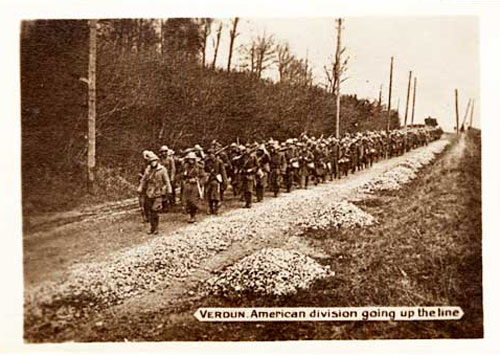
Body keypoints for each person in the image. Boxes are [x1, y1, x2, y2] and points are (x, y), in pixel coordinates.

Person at [137, 151, 172, 234]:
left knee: (154, 210)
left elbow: (167, 181)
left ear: (157, 161)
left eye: (154, 161)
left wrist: (169, 189)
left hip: (158, 192)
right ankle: (152, 228)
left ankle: (156, 228)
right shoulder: (148, 170)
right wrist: (140, 187)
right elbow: (144, 180)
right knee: (149, 210)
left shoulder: (162, 170)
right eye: (151, 161)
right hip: (149, 192)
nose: (153, 163)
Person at [182, 152, 205, 223]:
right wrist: (186, 180)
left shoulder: (199, 167)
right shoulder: (185, 167)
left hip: (196, 185)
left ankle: (193, 215)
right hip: (188, 184)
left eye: (192, 159)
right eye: (189, 159)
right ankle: (190, 215)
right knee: (187, 200)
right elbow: (182, 176)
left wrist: (199, 182)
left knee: (193, 200)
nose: (191, 161)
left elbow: (203, 177)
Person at [159, 145, 176, 212]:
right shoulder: (159, 159)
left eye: (165, 151)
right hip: (161, 177)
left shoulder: (170, 159)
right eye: (162, 152)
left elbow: (173, 169)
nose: (164, 153)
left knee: (170, 190)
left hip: (168, 176)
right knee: (162, 191)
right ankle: (164, 205)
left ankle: (172, 202)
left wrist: (172, 177)